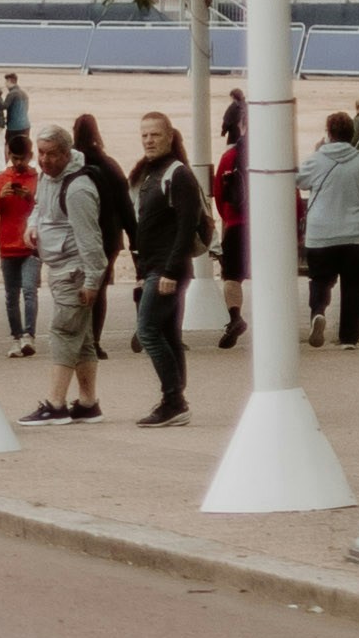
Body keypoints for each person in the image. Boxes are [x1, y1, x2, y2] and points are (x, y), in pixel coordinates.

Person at [124, 111, 208, 427]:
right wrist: (141, 270)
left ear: (170, 136)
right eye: (144, 134)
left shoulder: (178, 174)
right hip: (154, 269)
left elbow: (187, 227)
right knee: (169, 334)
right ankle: (176, 400)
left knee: (147, 331)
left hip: (168, 270)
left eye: (155, 134)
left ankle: (174, 400)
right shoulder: (149, 175)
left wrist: (171, 272)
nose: (148, 140)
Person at [28, 134, 109, 420]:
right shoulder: (47, 178)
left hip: (73, 272)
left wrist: (91, 281)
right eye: (40, 152)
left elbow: (91, 240)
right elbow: (39, 207)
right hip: (60, 267)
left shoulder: (77, 190)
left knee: (63, 332)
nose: (44, 159)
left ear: (66, 153)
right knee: (82, 337)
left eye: (51, 154)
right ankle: (88, 403)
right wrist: (32, 226)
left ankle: (56, 403)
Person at [301, 105, 359, 345]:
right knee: (353, 286)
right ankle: (349, 338)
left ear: (329, 133)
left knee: (320, 280)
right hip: (357, 235)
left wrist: (317, 151)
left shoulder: (318, 159)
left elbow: (298, 179)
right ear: (352, 134)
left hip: (321, 234)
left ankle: (318, 311)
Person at [66, 112, 133, 359]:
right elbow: (125, 205)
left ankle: (78, 338)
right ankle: (94, 340)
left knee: (75, 287)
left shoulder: (71, 165)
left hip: (76, 236)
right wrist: (134, 236)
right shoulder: (109, 165)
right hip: (108, 237)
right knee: (99, 289)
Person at [0, 129, 40, 346]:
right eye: (14, 158)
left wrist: (30, 198)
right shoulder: (1, 179)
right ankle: (15, 336)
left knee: (29, 291)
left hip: (30, 246)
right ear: (8, 154)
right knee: (11, 295)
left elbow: (45, 209)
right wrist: (0, 197)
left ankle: (29, 336)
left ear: (30, 156)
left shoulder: (36, 178)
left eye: (22, 158)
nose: (18, 162)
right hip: (7, 246)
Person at [212, 97, 249, 349]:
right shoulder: (275, 156)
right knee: (270, 277)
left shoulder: (230, 157)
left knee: (231, 277)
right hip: (269, 227)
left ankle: (235, 316)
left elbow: (218, 192)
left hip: (237, 224)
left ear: (242, 127)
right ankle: (275, 324)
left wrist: (228, 218)